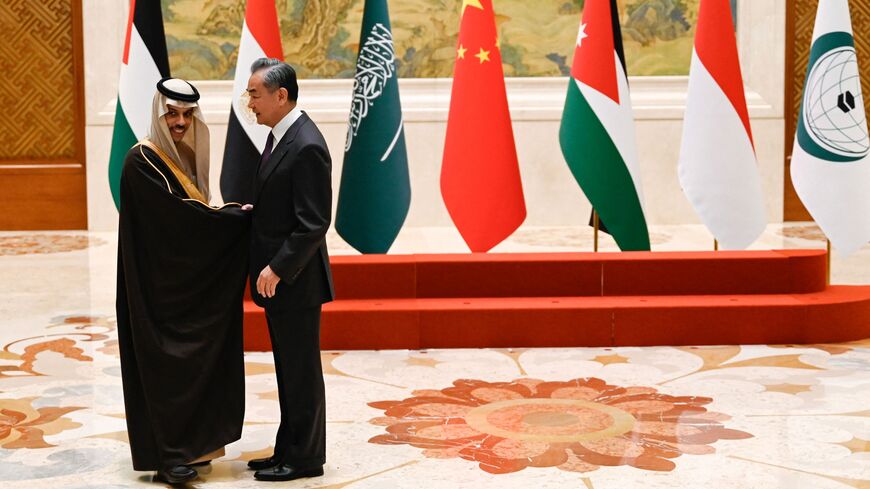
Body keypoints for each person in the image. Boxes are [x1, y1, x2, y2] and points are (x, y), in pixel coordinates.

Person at [115, 78, 250, 485]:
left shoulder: (179, 157)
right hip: (155, 291)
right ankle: (167, 455)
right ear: (160, 114)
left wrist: (223, 217)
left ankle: (194, 445)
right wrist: (232, 219)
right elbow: (179, 222)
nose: (179, 122)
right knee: (165, 368)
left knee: (193, 362)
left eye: (187, 115)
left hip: (179, 284)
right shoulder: (143, 160)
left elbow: (190, 216)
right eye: (171, 114)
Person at [243, 58, 334, 482]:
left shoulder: (307, 144)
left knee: (300, 372)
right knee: (288, 369)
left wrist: (277, 268)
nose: (250, 103)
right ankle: (287, 448)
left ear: (281, 96)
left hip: (295, 281)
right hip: (281, 281)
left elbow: (314, 222)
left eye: (255, 94)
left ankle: (305, 458)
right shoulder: (281, 136)